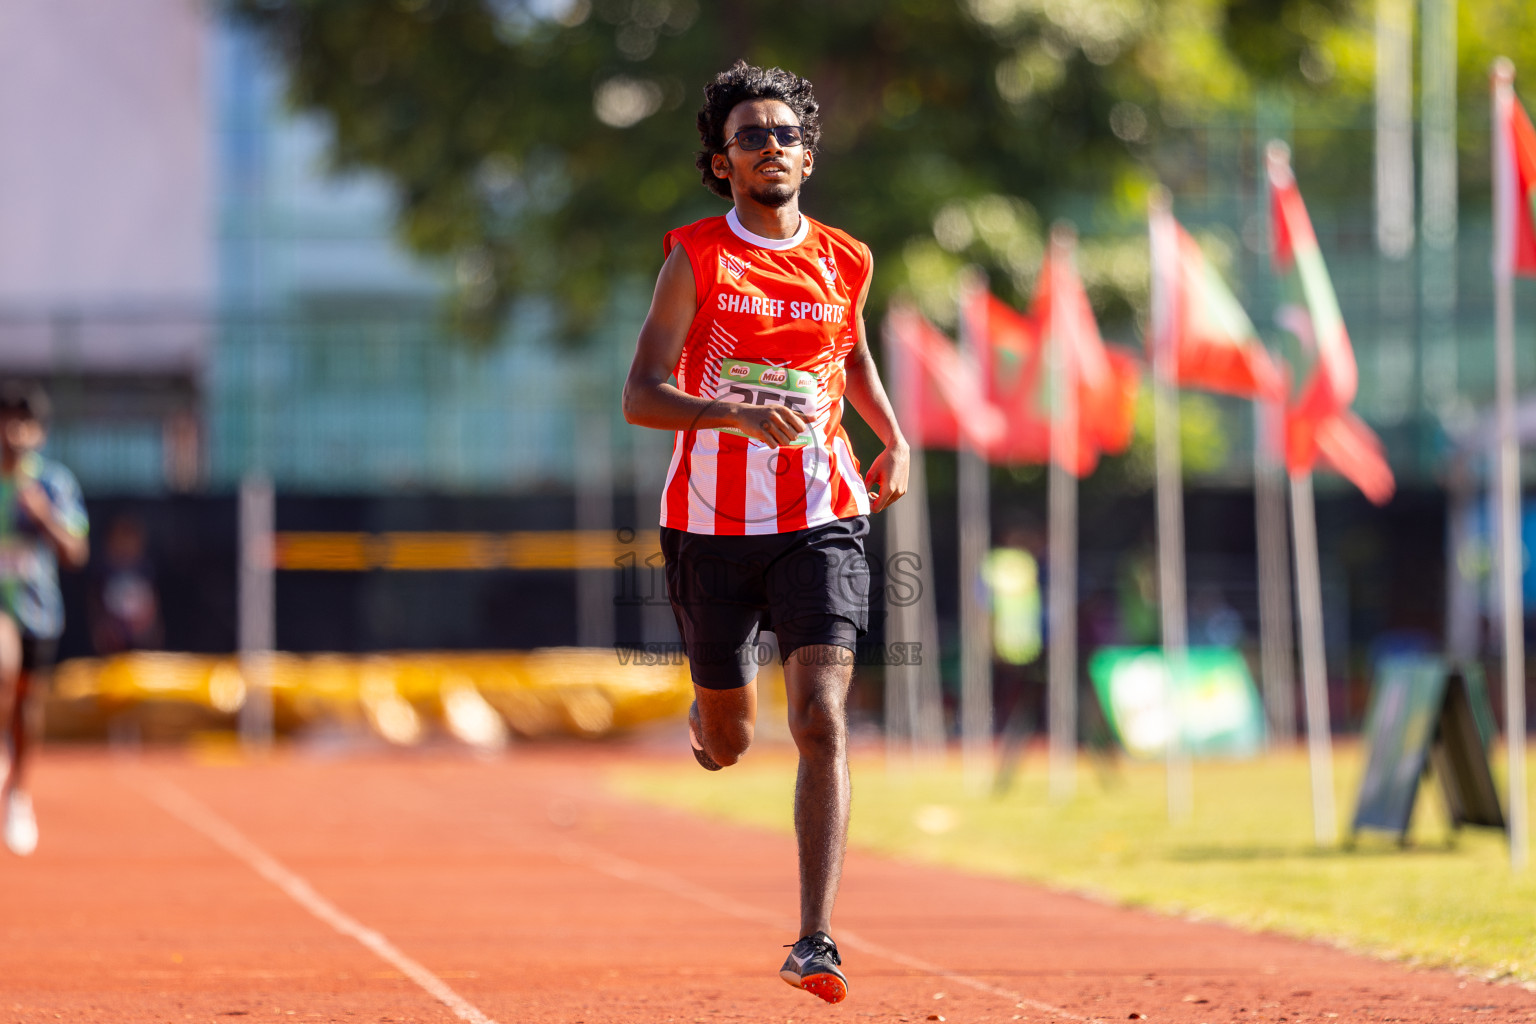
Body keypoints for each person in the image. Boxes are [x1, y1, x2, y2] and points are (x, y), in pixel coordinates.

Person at [622, 60, 908, 1004]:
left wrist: (891, 435)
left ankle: (816, 939)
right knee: (735, 738)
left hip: (822, 514)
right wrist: (732, 416)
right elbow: (641, 395)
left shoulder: (846, 258)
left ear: (808, 154)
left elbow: (851, 349)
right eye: (752, 136)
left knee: (821, 718)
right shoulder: (697, 257)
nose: (772, 147)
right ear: (723, 160)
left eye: (786, 134)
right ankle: (707, 721)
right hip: (708, 523)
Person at [0, 382, 89, 856]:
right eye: (7, 419)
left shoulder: (54, 483)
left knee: (26, 705)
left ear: (39, 432)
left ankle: (18, 793)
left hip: (37, 608)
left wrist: (44, 516)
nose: (14, 430)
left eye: (25, 422)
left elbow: (76, 550)